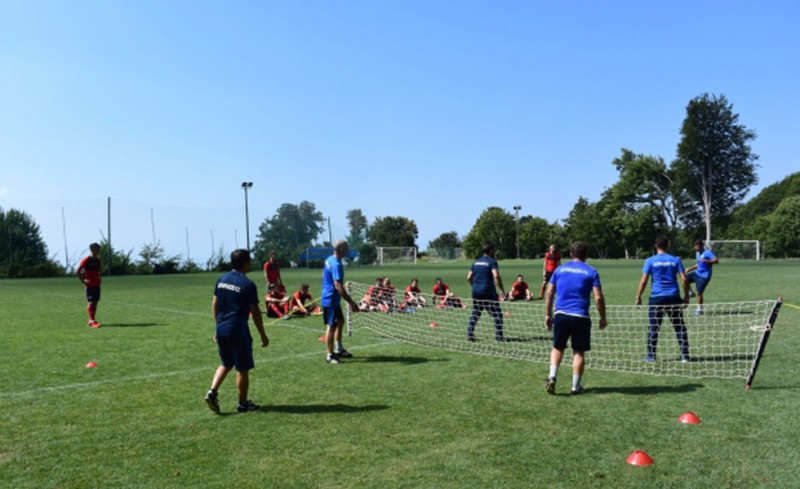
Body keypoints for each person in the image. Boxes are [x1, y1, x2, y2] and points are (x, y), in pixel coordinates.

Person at [204, 249, 269, 414]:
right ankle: (243, 403)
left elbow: (214, 304)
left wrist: (217, 326)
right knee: (242, 368)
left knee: (226, 363)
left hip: (222, 328)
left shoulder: (221, 279)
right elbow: (255, 312)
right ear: (245, 263)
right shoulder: (247, 284)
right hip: (237, 330)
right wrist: (262, 334)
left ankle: (212, 391)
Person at [544, 241, 607, 395]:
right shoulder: (591, 272)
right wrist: (603, 317)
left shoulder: (560, 269)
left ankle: (552, 376)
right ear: (586, 255)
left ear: (571, 254)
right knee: (578, 352)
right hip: (581, 316)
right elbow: (598, 297)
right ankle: (575, 386)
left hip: (561, 315)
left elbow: (549, 293)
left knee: (557, 347)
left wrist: (548, 315)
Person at [635, 236, 691, 363]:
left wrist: (638, 297)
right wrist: (686, 296)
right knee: (679, 326)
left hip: (657, 298)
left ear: (656, 246)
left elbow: (644, 281)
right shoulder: (675, 260)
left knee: (654, 327)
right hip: (673, 297)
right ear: (668, 245)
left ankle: (651, 356)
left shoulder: (650, 260)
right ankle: (684, 355)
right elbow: (684, 279)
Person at [321, 240, 360, 364]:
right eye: (346, 247)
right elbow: (338, 286)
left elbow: (324, 275)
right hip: (331, 299)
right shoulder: (336, 265)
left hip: (332, 298)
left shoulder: (329, 259)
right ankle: (330, 355)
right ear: (341, 249)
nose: (348, 249)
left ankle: (339, 349)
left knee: (340, 322)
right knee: (331, 326)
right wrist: (351, 302)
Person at [466, 242, 506, 342]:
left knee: (476, 312)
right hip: (487, 291)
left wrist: (474, 286)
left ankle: (469, 333)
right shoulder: (492, 262)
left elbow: (468, 277)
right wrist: (501, 290)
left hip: (476, 291)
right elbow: (496, 276)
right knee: (497, 313)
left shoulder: (476, 262)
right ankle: (499, 336)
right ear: (491, 251)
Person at [685, 239, 719, 315]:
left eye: (696, 246)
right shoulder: (697, 253)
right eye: (695, 246)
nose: (695, 248)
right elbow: (699, 264)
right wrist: (690, 268)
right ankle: (690, 292)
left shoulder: (707, 253)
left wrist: (707, 261)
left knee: (699, 293)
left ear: (700, 246)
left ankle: (700, 310)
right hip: (697, 273)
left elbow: (716, 260)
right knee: (684, 278)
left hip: (704, 276)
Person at [77, 242, 102, 328]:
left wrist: (100, 278)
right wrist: (84, 281)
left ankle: (91, 320)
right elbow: (78, 271)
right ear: (92, 249)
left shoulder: (98, 260)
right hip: (89, 285)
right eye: (97, 249)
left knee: (95, 302)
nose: (98, 251)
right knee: (91, 302)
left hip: (96, 284)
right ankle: (92, 320)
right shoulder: (86, 260)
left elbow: (99, 271)